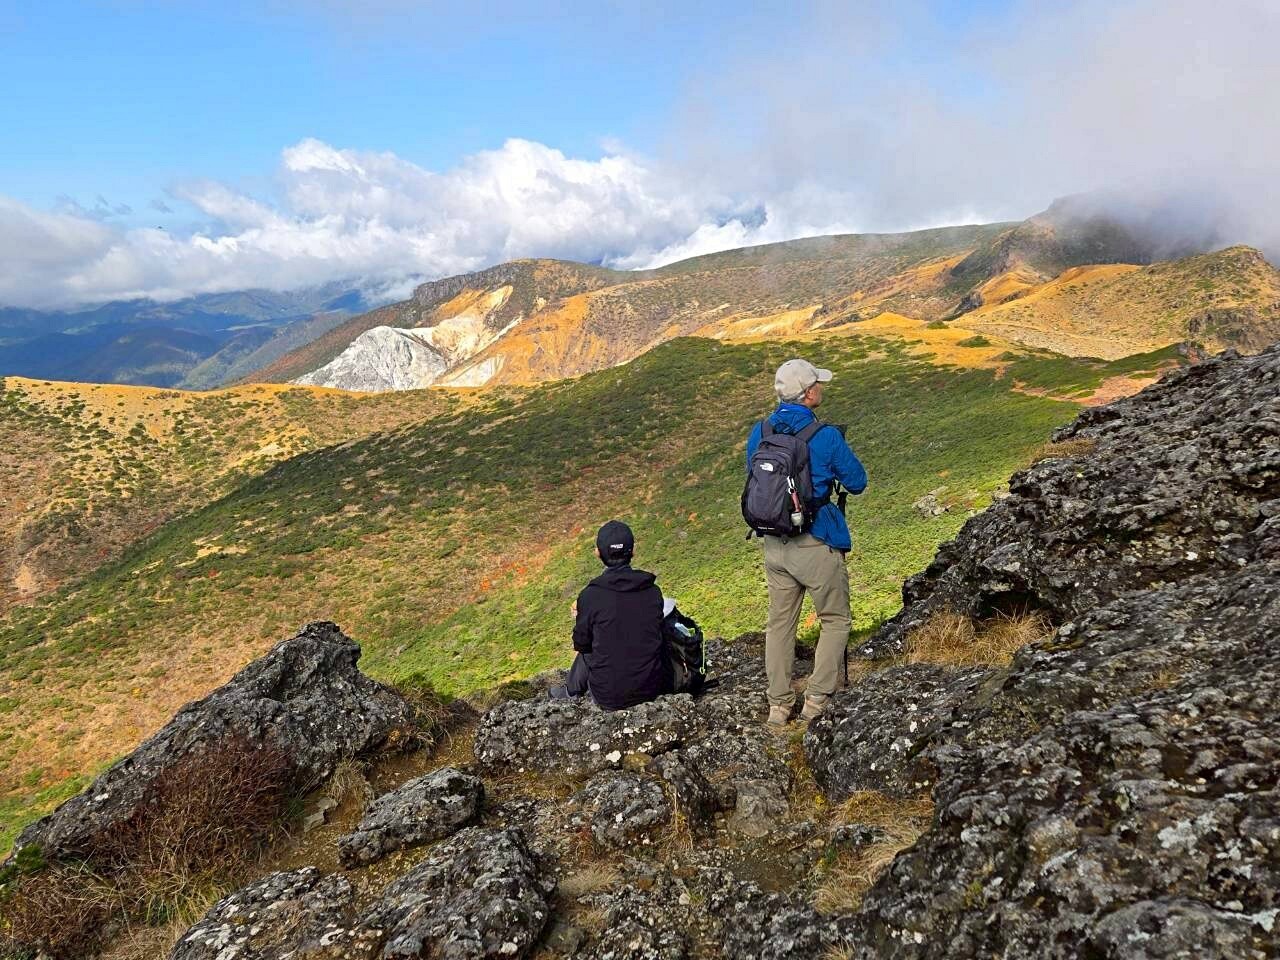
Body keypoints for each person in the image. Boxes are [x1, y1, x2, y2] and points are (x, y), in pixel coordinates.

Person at [746, 358, 867, 725]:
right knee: (835, 619)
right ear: (809, 393)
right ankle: (816, 701)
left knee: (780, 624)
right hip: (816, 541)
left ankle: (779, 706)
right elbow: (857, 482)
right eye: (818, 384)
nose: (821, 388)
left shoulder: (760, 431)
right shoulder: (825, 436)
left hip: (774, 543)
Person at [549, 520, 673, 710]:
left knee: (591, 646)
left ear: (597, 552)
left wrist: (584, 616)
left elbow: (581, 644)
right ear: (633, 551)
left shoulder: (590, 596)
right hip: (651, 689)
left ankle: (570, 691)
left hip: (609, 697)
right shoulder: (653, 591)